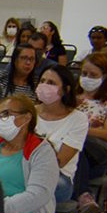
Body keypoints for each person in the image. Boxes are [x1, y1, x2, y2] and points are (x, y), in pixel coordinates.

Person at [35, 65, 89, 204]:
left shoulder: (78, 119)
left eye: (51, 83)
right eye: (42, 81)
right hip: (24, 171)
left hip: (58, 176)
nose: (44, 86)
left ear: (66, 89)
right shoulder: (30, 112)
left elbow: (60, 162)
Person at [75, 53, 107, 213]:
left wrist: (81, 129)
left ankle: (83, 194)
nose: (87, 78)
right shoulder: (72, 99)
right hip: (73, 152)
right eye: (84, 73)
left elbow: (106, 134)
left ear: (104, 76)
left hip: (97, 153)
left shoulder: (106, 102)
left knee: (76, 142)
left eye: (93, 75)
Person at [0, 44, 39, 110]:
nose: (28, 62)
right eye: (24, 58)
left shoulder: (37, 84)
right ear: (15, 60)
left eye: (32, 59)